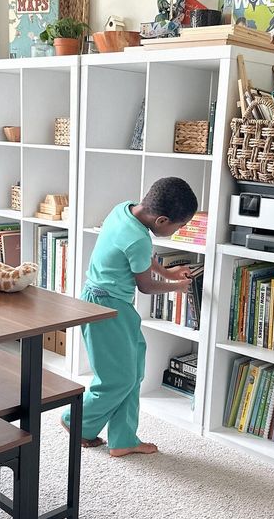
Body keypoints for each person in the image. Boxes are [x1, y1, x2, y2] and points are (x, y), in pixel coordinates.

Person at [62, 177, 198, 457]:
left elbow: (142, 257)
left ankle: (123, 438)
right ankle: (77, 421)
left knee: (133, 373)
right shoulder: (138, 238)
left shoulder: (124, 210)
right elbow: (145, 285)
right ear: (161, 220)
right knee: (117, 379)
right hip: (106, 307)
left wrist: (169, 272)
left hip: (115, 305)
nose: (178, 231)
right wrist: (177, 286)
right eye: (179, 226)